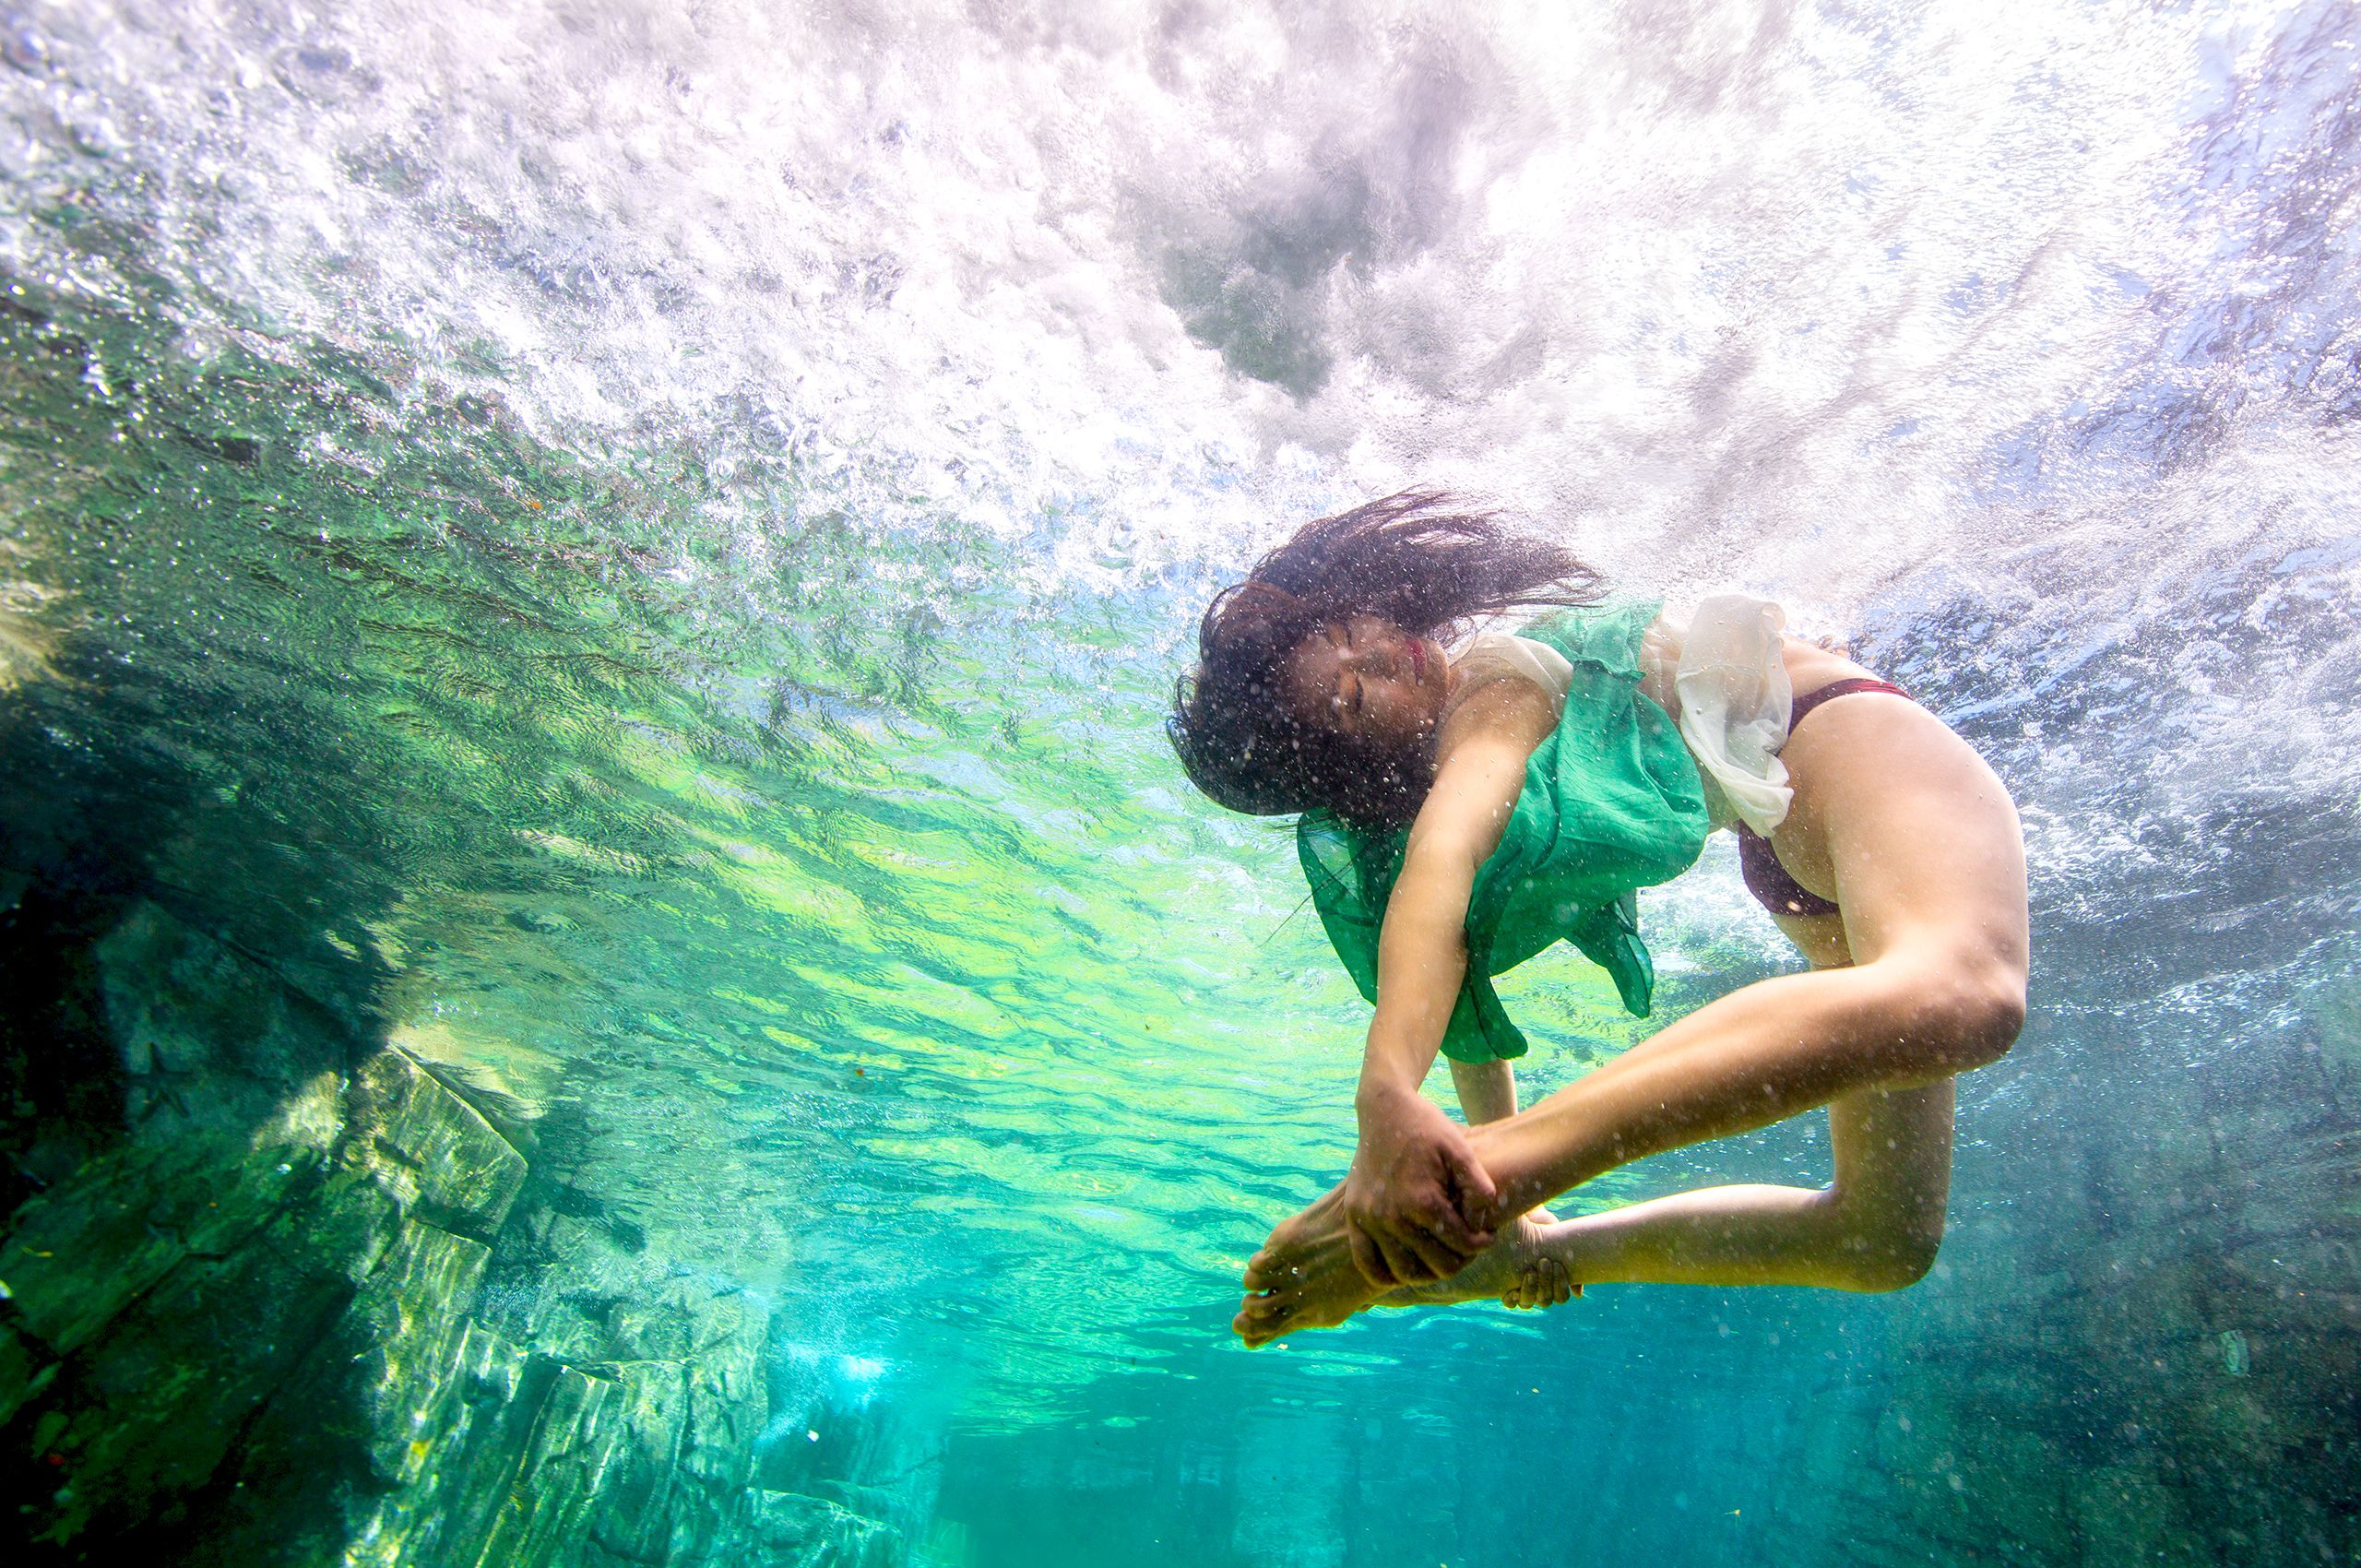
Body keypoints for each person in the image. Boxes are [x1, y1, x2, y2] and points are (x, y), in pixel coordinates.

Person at [1167, 491, 2028, 1347]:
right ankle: (1502, 1210)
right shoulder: (1478, 718)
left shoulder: (1496, 674)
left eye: (1352, 635)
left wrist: (1388, 1102)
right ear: (1360, 763)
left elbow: (1446, 862)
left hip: (1821, 771)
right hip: (1819, 807)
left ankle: (1499, 1199)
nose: (1386, 655)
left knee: (1884, 1228)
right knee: (1957, 1006)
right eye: (1355, 696)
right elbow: (1447, 916)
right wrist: (1423, 1126)